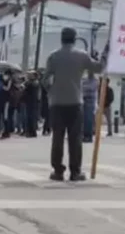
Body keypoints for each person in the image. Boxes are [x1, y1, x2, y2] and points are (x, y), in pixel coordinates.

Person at [43, 27, 102, 182]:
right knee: (75, 139)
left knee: (57, 138)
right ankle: (75, 172)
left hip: (57, 102)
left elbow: (45, 79)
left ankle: (57, 171)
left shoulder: (53, 56)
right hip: (75, 102)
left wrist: (52, 91)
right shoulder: (81, 56)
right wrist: (107, 54)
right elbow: (99, 68)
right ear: (75, 39)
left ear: (62, 39)